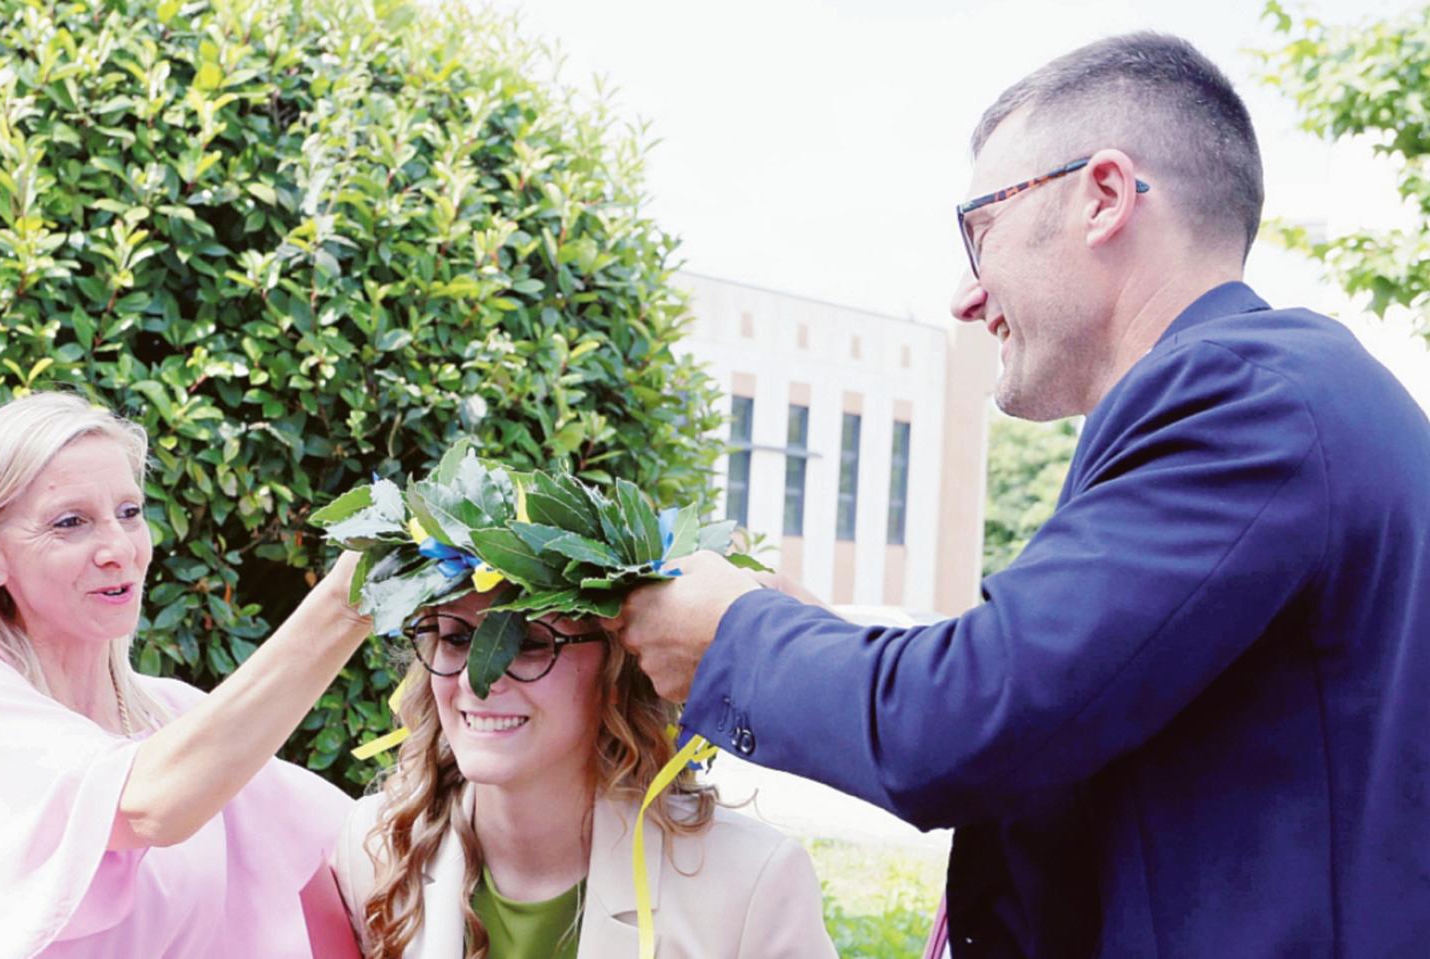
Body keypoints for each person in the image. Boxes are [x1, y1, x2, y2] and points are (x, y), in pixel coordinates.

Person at [613, 32, 1430, 959]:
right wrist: (820, 636)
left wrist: (730, 638)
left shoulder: (1248, 406)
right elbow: (1054, 705)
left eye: (981, 230)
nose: (965, 296)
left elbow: (967, 724)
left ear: (1105, 196)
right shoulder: (1273, 400)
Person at [0, 391, 369, 958]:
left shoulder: (172, 718)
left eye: (130, 513)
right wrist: (344, 605)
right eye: (71, 523)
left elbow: (357, 855)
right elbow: (148, 805)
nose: (119, 548)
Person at [329, 589, 836, 958]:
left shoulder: (751, 883)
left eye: (528, 642)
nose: (476, 681)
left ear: (618, 671)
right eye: (457, 638)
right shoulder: (372, 849)